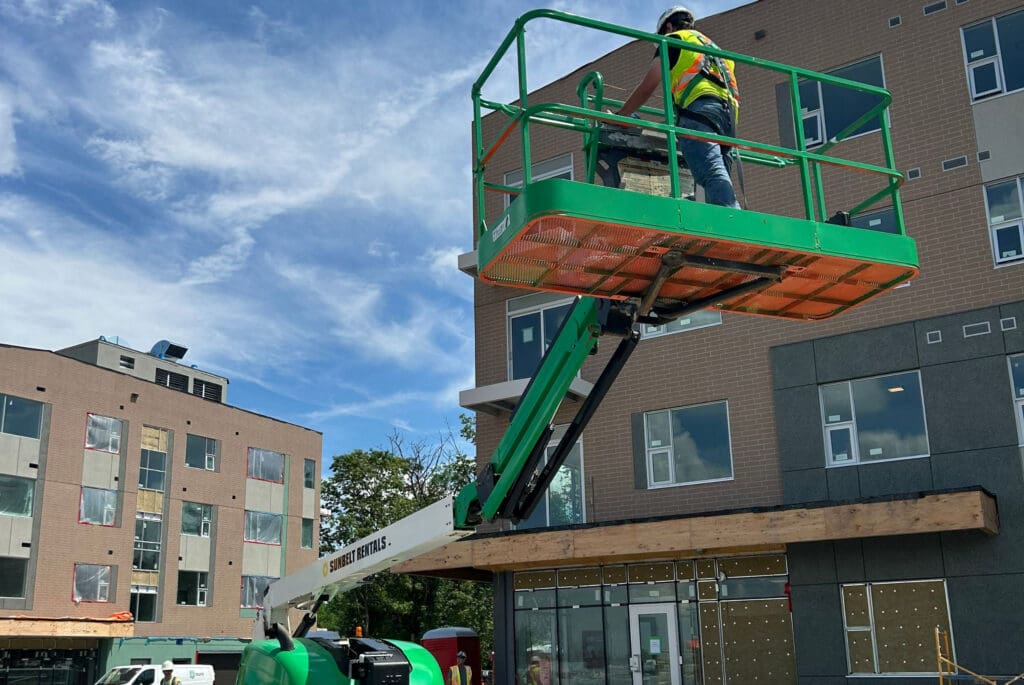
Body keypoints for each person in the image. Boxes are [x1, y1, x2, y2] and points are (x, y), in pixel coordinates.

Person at [615, 6, 740, 209]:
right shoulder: (713, 48)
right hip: (728, 119)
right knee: (717, 181)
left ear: (669, 26)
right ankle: (724, 223)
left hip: (700, 111)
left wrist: (622, 115)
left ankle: (734, 223)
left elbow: (649, 85)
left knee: (712, 174)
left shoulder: (673, 40)